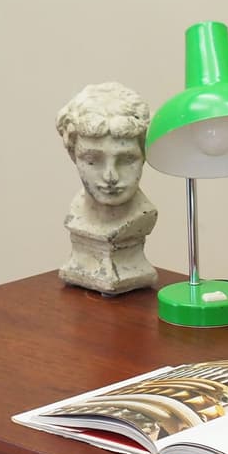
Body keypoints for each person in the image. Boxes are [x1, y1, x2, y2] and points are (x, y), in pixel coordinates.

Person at [56, 82, 158, 295]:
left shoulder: (143, 214)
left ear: (144, 155)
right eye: (93, 160)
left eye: (127, 159)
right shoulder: (76, 213)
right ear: (73, 155)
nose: (110, 176)